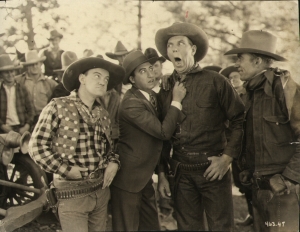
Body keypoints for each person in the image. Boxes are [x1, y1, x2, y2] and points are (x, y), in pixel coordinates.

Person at [155, 22, 245, 231]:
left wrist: (226, 159)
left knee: (221, 227)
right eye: (170, 45)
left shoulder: (217, 81)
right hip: (180, 172)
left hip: (213, 170)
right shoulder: (166, 87)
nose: (174, 49)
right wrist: (161, 173)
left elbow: (239, 120)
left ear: (193, 49)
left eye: (180, 43)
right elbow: (163, 134)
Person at [28, 56, 125, 232]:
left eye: (106, 79)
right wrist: (66, 170)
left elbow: (108, 149)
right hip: (71, 195)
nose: (103, 82)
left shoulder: (102, 113)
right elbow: (36, 147)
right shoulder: (58, 106)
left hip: (100, 191)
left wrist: (113, 162)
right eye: (97, 76)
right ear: (81, 78)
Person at [225, 30, 300, 232]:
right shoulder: (249, 94)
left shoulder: (285, 89)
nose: (237, 64)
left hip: (284, 194)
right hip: (259, 191)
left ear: (257, 61)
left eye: (240, 58)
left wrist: (289, 179)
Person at [110, 50, 186, 231]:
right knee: (126, 228)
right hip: (127, 180)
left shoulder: (151, 97)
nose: (151, 74)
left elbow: (157, 145)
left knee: (151, 226)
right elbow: (162, 133)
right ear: (132, 80)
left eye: (151, 68)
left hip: (143, 178)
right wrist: (176, 101)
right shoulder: (131, 103)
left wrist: (161, 174)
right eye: (142, 71)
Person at [220, 65, 253, 226]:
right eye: (230, 78)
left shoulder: (249, 93)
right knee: (241, 182)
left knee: (252, 181)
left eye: (236, 76)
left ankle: (257, 217)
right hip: (235, 145)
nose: (233, 80)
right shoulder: (228, 96)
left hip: (249, 145)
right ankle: (252, 215)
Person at [15, 50, 57, 127]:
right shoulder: (19, 81)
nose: (34, 66)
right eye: (31, 64)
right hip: (25, 121)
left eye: (36, 64)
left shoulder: (50, 83)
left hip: (45, 119)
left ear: (40, 64)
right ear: (27, 66)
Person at [0, 54, 34, 135]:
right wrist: (2, 126)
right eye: (6, 72)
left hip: (21, 127)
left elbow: (31, 110)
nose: (10, 75)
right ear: (1, 74)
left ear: (15, 72)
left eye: (11, 71)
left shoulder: (22, 88)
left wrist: (27, 126)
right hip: (5, 128)